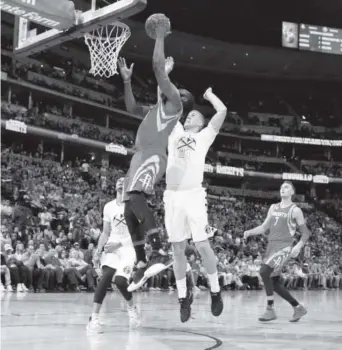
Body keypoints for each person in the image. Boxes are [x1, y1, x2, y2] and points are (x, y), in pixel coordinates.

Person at [118, 14, 195, 292]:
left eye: (180, 92)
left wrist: (161, 35)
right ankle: (141, 263)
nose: (177, 91)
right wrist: (127, 81)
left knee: (137, 198)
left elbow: (157, 68)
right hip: (139, 155)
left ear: (182, 100)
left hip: (152, 155)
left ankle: (158, 249)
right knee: (128, 209)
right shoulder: (156, 109)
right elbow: (130, 108)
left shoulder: (175, 103)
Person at [163, 87, 227, 322]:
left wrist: (209, 94)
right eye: (189, 114)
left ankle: (215, 290)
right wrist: (167, 77)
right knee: (177, 250)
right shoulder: (175, 129)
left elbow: (222, 111)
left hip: (193, 195)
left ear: (201, 123)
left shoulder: (203, 137)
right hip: (172, 195)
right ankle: (182, 297)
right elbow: (165, 102)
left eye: (194, 116)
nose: (190, 117)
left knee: (202, 245)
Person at [243, 181, 310, 322]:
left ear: (292, 192)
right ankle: (298, 307)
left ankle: (270, 308)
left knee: (263, 272)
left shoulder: (295, 210)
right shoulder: (273, 207)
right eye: (281, 187)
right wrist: (249, 232)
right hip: (271, 246)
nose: (282, 189)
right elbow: (263, 227)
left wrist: (298, 246)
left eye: (286, 187)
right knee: (273, 282)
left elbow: (305, 233)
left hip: (284, 247)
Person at [87, 178, 140, 334]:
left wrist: (120, 244)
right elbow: (105, 232)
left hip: (128, 248)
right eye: (118, 180)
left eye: (124, 180)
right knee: (106, 276)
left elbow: (137, 233)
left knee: (120, 281)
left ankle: (132, 308)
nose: (120, 182)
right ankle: (94, 318)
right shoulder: (109, 207)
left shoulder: (135, 207)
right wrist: (98, 250)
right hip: (111, 246)